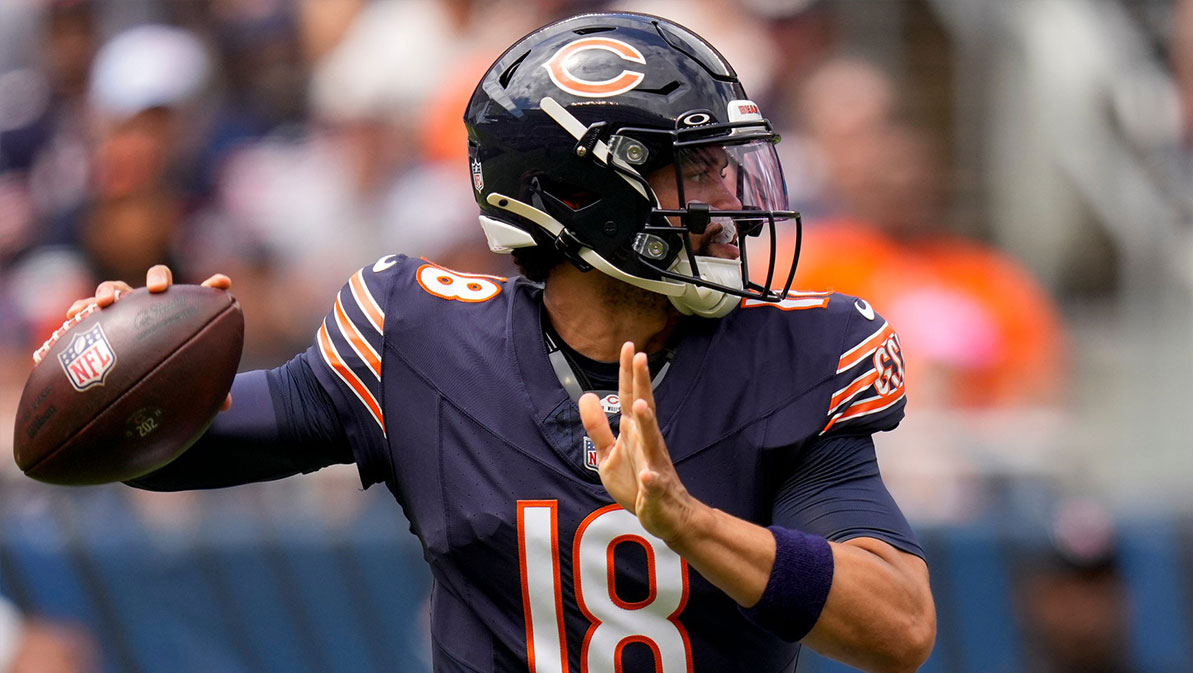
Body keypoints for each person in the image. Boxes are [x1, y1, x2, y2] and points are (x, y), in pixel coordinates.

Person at [66, 13, 935, 673]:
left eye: (724, 164)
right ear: (578, 196)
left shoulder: (790, 353)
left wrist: (693, 526)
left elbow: (900, 627)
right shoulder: (416, 336)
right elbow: (153, 444)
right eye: (694, 168)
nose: (729, 196)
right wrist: (107, 374)